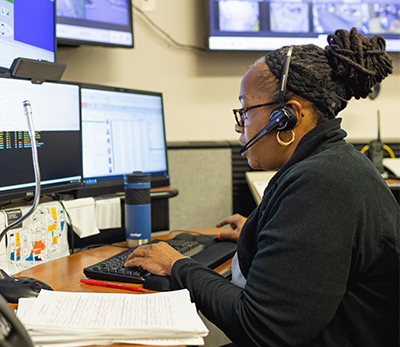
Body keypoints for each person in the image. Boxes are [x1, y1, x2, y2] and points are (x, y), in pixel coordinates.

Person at [125, 28, 399, 346]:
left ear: (288, 117)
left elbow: (264, 329)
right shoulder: (333, 163)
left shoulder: (321, 183)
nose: (239, 125)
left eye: (246, 110)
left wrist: (178, 266)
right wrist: (269, 233)